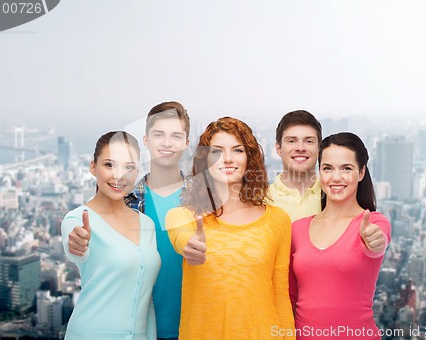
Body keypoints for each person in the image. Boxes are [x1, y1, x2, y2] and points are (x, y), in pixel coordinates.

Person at [165, 117, 295, 340]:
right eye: (217, 151)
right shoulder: (183, 217)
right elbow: (183, 239)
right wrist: (190, 246)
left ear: (249, 159)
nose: (227, 159)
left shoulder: (278, 221)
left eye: (237, 150)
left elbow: (280, 296)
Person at [289, 132, 391, 339]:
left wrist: (375, 243)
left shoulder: (373, 223)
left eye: (346, 168)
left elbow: (377, 244)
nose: (336, 178)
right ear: (319, 172)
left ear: (361, 172)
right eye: (327, 168)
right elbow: (289, 297)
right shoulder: (296, 230)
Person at [62, 131, 161, 340]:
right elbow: (76, 250)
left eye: (129, 167)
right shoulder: (77, 219)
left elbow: (146, 298)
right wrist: (78, 246)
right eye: (109, 165)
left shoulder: (147, 225)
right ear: (93, 167)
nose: (119, 175)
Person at [125, 101, 190, 340]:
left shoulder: (206, 202)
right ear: (146, 140)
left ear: (186, 142)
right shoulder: (125, 201)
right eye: (159, 135)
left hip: (196, 328)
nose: (166, 143)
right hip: (139, 330)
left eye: (176, 135)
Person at [268, 110, 323, 221]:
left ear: (319, 149)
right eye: (292, 141)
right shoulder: (261, 200)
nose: (300, 148)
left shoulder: (334, 197)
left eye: (309, 141)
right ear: (278, 149)